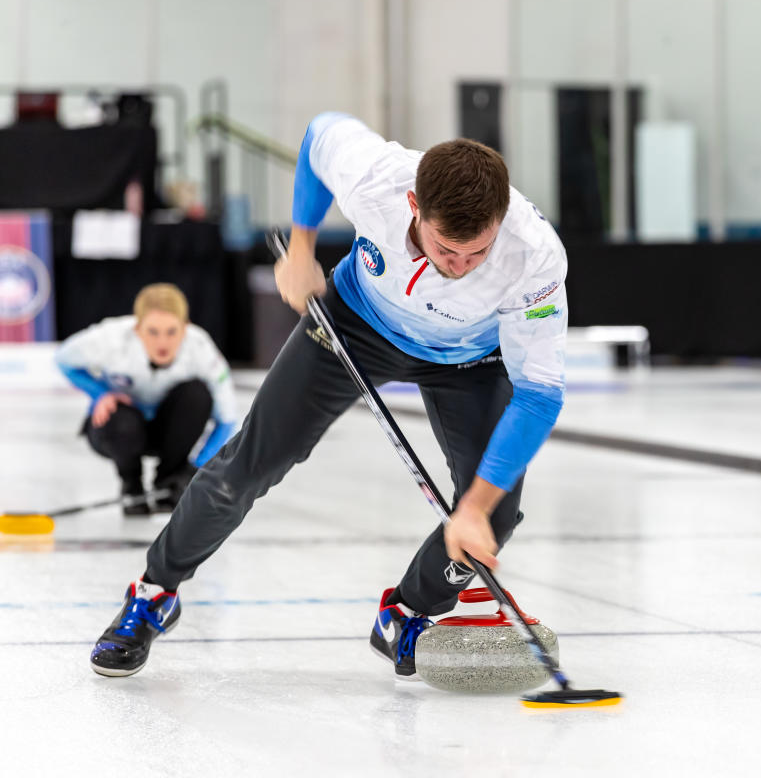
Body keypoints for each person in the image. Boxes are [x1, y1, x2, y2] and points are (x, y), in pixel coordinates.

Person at [89, 113, 568, 679]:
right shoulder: (380, 179)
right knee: (246, 468)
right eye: (446, 249)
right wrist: (301, 245)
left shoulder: (533, 253)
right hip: (356, 322)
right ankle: (154, 593)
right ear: (414, 205)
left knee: (494, 513)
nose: (459, 267)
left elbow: (538, 394)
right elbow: (317, 135)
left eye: (477, 253)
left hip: (470, 356)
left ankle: (409, 611)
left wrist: (473, 509)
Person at [56, 283, 238, 516]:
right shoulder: (109, 338)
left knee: (197, 394)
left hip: (171, 433)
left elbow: (227, 420)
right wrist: (100, 393)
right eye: (153, 332)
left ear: (185, 328)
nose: (162, 342)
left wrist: (196, 468)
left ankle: (170, 479)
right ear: (137, 328)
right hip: (119, 431)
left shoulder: (201, 348)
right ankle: (131, 485)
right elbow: (63, 360)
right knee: (120, 418)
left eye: (172, 332)